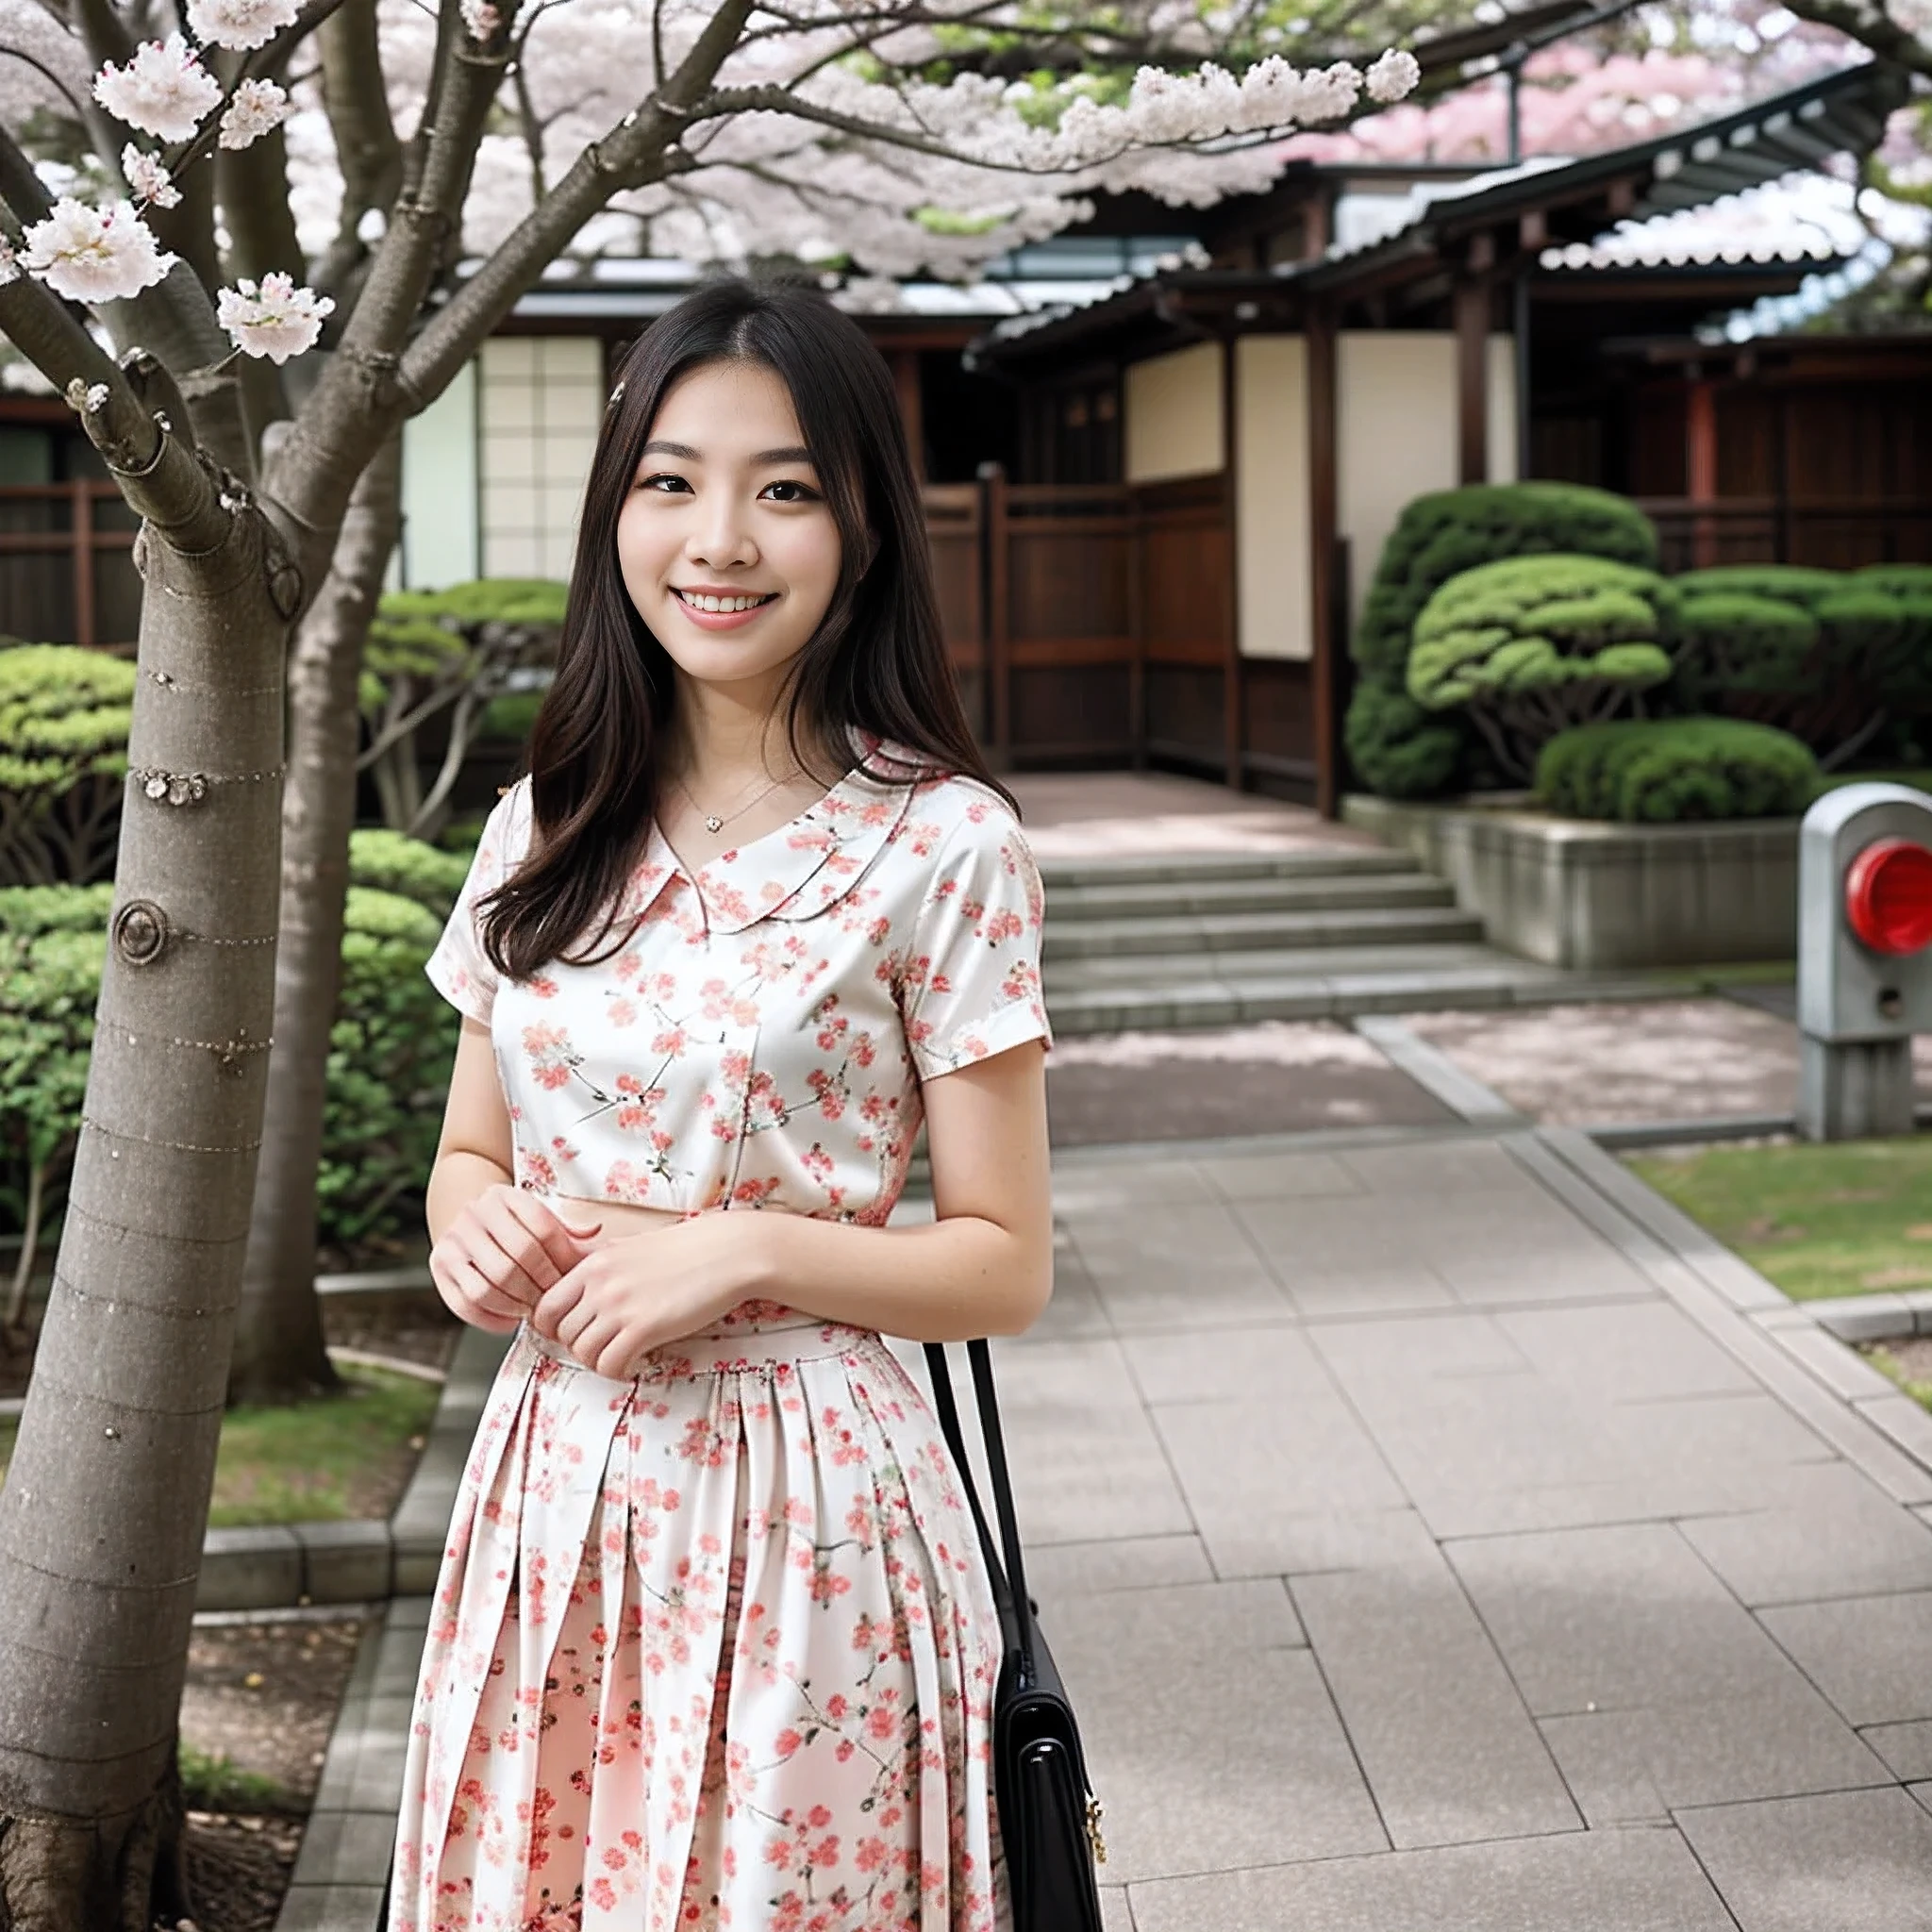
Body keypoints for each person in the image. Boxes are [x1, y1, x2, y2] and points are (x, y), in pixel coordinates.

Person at [387, 275, 1054, 1932]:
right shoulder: (544, 822)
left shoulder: (944, 844)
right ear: (618, 509)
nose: (721, 540)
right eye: (671, 482)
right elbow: (471, 1155)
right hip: (555, 1493)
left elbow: (1002, 1263)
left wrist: (739, 1249)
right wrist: (470, 1237)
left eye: (786, 489)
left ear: (864, 531)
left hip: (809, 1514)